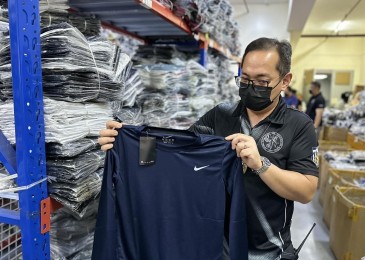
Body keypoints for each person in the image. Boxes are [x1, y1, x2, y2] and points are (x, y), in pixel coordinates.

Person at [98, 37, 319, 259]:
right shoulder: (220, 115)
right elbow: (179, 153)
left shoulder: (299, 125)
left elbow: (306, 190)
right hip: (218, 247)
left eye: (262, 81)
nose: (251, 87)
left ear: (285, 80)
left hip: (268, 250)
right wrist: (128, 143)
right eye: (245, 79)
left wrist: (261, 164)